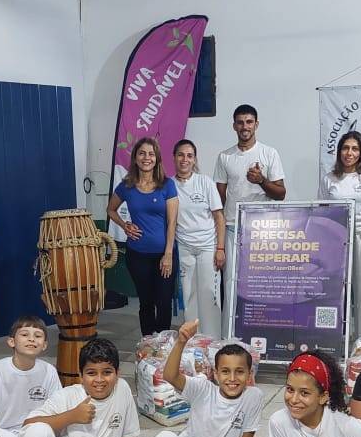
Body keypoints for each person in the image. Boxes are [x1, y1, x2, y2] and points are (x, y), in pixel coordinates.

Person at [153, 319, 263, 437]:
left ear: (250, 375)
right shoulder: (203, 389)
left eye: (240, 372)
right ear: (216, 374)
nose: (232, 378)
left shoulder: (253, 397)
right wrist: (181, 341)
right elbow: (170, 376)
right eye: (225, 371)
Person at [213, 104, 287, 338]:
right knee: (231, 285)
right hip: (234, 228)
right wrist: (220, 237)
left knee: (260, 286)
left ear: (256, 124)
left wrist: (261, 181)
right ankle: (228, 337)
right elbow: (219, 200)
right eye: (240, 122)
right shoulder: (225, 156)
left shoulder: (269, 153)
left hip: (262, 232)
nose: (244, 127)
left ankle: (261, 338)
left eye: (249, 122)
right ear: (234, 125)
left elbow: (281, 193)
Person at [108, 137, 179, 336]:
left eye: (151, 154)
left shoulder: (167, 185)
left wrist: (167, 255)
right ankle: (148, 345)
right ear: (135, 158)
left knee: (164, 302)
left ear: (156, 158)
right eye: (142, 153)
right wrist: (125, 225)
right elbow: (111, 209)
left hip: (164, 255)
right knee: (146, 302)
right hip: (137, 255)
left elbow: (172, 222)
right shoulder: (126, 186)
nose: (146, 157)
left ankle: (163, 347)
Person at [320, 131, 361, 336]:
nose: (349, 153)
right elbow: (322, 211)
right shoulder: (329, 178)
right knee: (336, 291)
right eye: (345, 148)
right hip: (336, 240)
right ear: (339, 152)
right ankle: (336, 338)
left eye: (354, 149)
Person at [0, 315, 61, 432]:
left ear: (44, 345)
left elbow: (56, 407)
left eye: (38, 336)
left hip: (35, 430)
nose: (32, 339)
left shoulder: (49, 371)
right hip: (2, 433)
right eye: (25, 335)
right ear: (11, 341)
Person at [172, 139, 226, 332]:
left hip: (207, 247)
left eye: (189, 156)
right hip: (185, 248)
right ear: (174, 158)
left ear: (194, 160)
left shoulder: (205, 182)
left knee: (209, 295)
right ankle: (192, 342)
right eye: (180, 155)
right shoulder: (169, 185)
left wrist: (220, 248)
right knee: (189, 296)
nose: (184, 160)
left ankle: (212, 343)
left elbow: (219, 217)